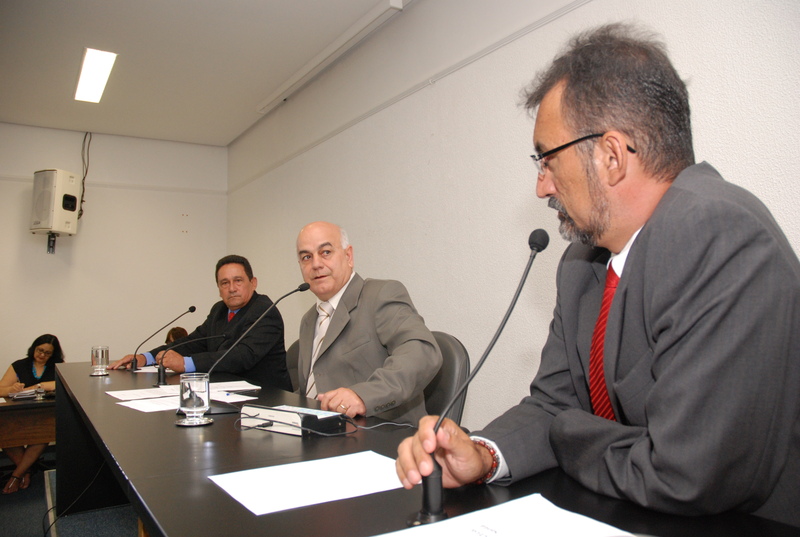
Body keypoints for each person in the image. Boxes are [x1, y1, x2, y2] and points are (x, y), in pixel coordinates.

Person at [396, 23, 800, 527]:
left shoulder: (719, 234)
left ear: (610, 156)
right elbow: (553, 404)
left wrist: (568, 435)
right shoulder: (580, 265)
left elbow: (686, 474)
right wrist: (483, 455)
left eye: (547, 159)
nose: (542, 186)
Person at [295, 221, 442, 425]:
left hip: (381, 432)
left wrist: (362, 396)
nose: (316, 264)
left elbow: (422, 352)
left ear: (348, 256)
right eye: (306, 257)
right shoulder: (309, 320)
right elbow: (313, 385)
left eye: (326, 252)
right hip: (319, 429)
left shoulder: (381, 295)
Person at [109, 255, 292, 391]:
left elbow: (241, 356)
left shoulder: (265, 311)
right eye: (224, 283)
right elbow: (194, 342)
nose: (232, 288)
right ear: (219, 289)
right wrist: (147, 357)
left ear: (253, 283)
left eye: (238, 281)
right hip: (226, 393)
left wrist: (185, 363)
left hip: (266, 399)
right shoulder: (219, 310)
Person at [0, 334, 64, 494]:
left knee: (42, 434)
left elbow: (62, 383)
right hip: (17, 413)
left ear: (53, 354)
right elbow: (1, 389)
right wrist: (11, 389)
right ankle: (25, 471)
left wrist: (38, 386)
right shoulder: (19, 365)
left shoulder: (58, 366)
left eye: (47, 353)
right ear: (33, 348)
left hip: (43, 414)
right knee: (4, 433)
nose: (42, 355)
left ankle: (16, 476)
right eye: (39, 350)